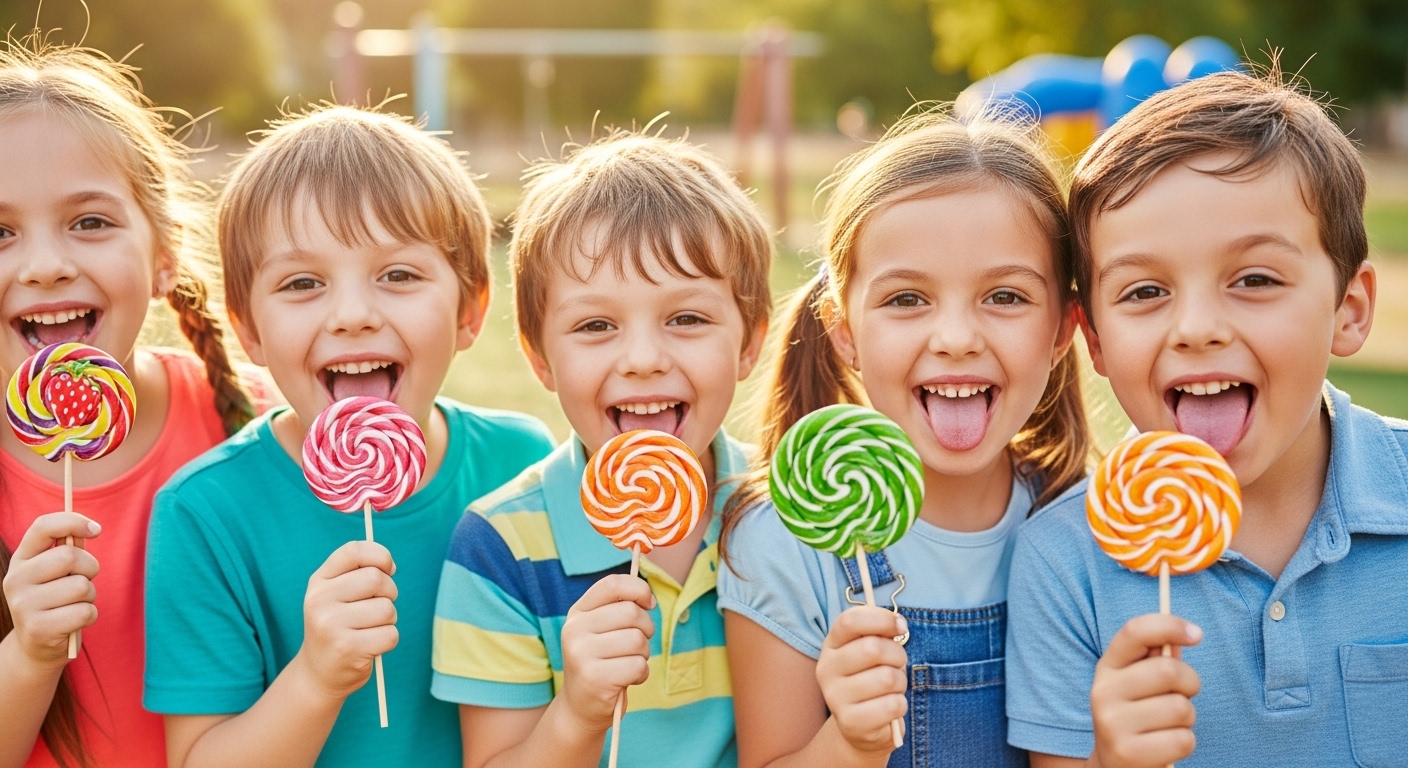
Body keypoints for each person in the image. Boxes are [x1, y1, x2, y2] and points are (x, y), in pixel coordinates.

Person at [142, 105, 556, 768]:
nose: (355, 315)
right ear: (248, 331)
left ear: (470, 310)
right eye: (303, 283)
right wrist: (317, 676)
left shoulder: (525, 467)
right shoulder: (205, 512)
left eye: (398, 275)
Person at [1004, 69, 1391, 767]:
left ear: (1349, 309)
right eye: (1145, 290)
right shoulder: (1064, 563)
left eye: (1255, 280)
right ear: (1092, 339)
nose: (1198, 328)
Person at [718, 106, 1091, 768]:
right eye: (906, 299)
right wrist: (849, 744)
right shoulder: (783, 544)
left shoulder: (1093, 532)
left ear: (1063, 329)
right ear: (844, 329)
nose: (954, 339)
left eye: (1005, 297)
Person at [429, 131, 774, 768]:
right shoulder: (500, 548)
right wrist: (580, 709)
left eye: (687, 318)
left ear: (750, 342)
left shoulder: (789, 518)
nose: (642, 359)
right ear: (539, 359)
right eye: (596, 326)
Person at [0, 37, 266, 768]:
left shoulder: (260, 424)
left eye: (90, 222)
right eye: (0, 232)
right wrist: (29, 652)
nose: (46, 265)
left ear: (164, 255)